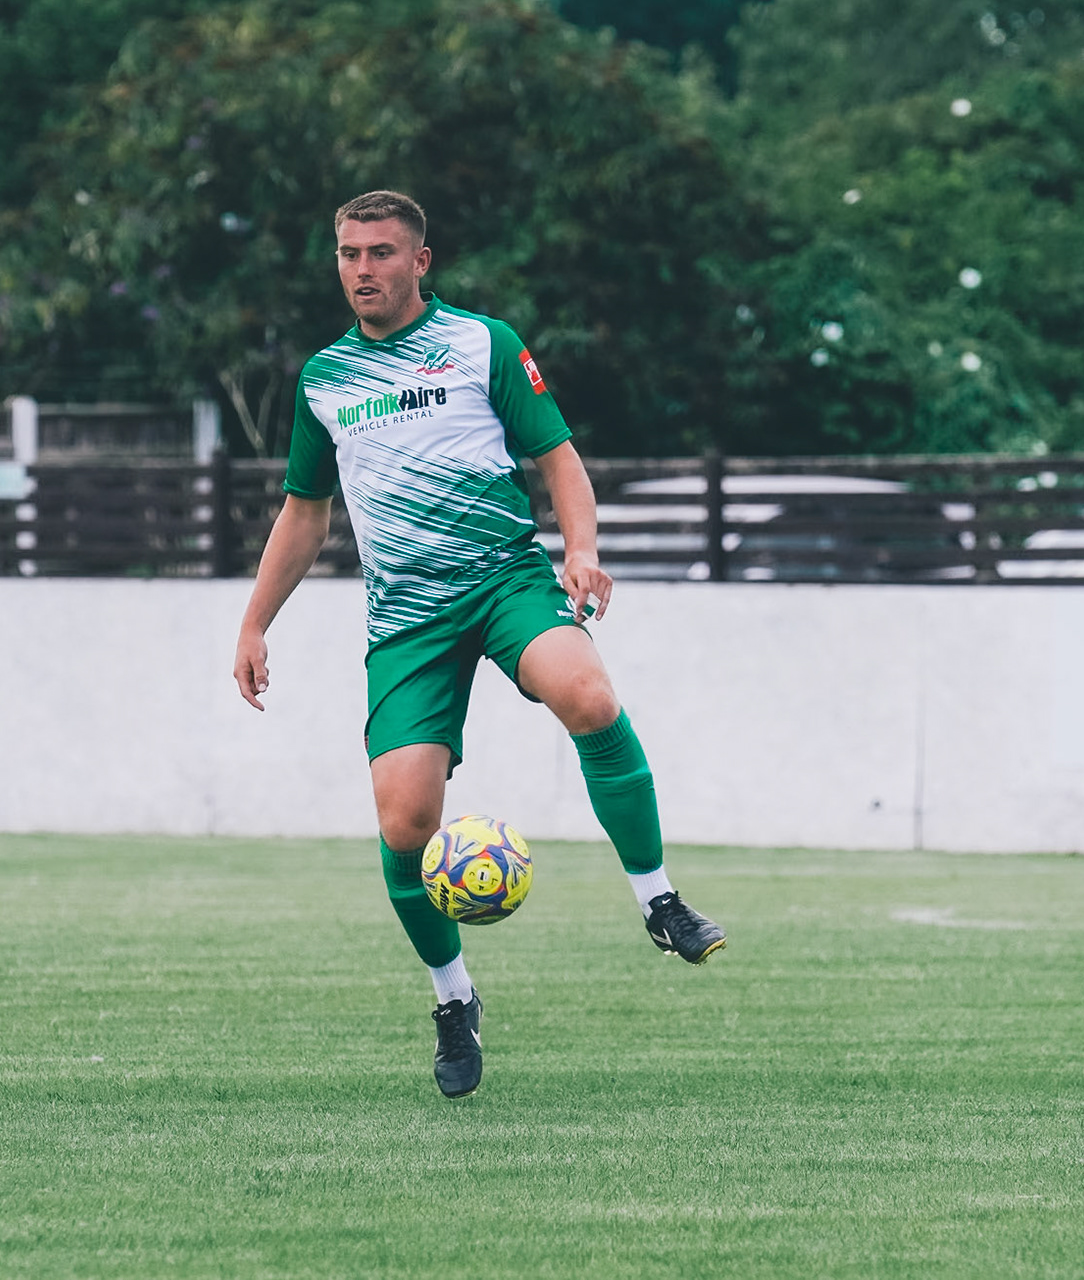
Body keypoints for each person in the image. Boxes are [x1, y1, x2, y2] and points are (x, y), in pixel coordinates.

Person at [232, 190, 724, 1099]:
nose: (362, 269)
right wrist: (256, 621)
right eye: (348, 254)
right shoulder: (323, 380)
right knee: (404, 822)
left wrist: (581, 551)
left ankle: (659, 900)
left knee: (589, 695)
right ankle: (454, 999)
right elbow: (304, 512)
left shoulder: (483, 343)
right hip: (407, 618)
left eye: (381, 252)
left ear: (420, 261)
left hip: (504, 578)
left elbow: (559, 458)